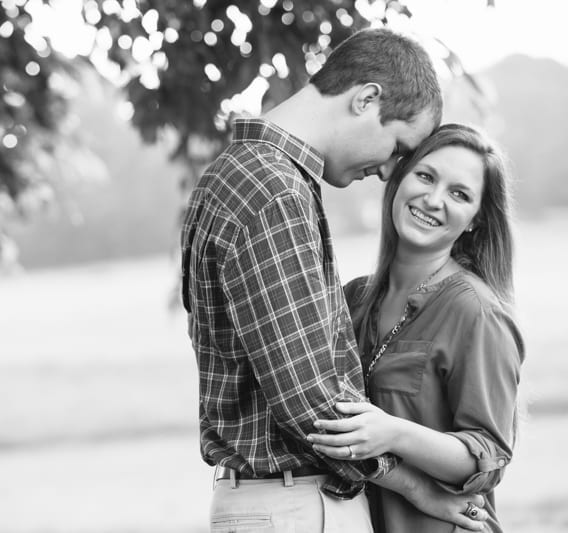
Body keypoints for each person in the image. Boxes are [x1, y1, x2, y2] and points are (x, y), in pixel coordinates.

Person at [181, 28, 490, 533]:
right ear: (367, 98)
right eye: (398, 146)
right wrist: (414, 486)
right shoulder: (273, 191)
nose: (392, 171)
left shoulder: (241, 174)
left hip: (276, 503)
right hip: (295, 505)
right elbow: (314, 404)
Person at [306, 123, 525, 532]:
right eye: (425, 176)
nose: (434, 199)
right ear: (399, 180)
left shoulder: (474, 311)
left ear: (476, 220)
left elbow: (489, 455)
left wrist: (393, 434)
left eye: (459, 194)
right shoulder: (352, 300)